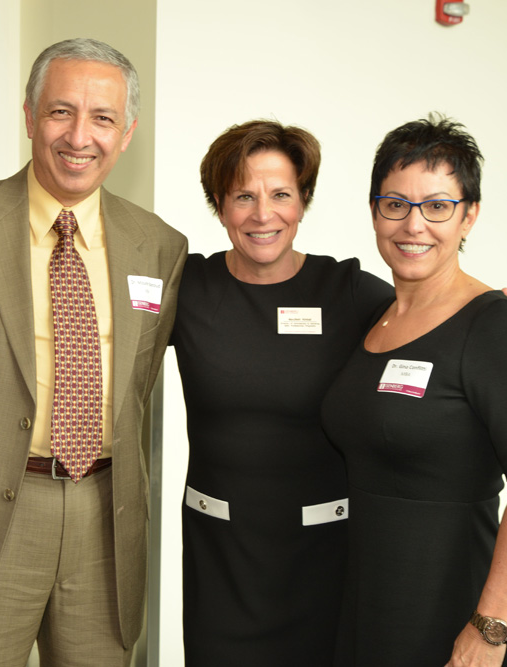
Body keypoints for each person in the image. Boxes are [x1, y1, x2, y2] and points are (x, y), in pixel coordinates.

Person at [0, 38, 187, 666]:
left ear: (127, 133)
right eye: (61, 111)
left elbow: (138, 386)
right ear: (30, 116)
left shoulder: (159, 247)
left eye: (103, 118)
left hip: (105, 522)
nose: (79, 136)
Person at [321, 114, 507, 666]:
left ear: (468, 215)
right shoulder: (374, 318)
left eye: (437, 206)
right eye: (396, 204)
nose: (414, 225)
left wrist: (489, 629)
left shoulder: (498, 327)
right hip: (362, 596)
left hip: (450, 605)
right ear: (374, 211)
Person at [170, 120, 393, 664]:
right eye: (243, 196)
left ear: (304, 201)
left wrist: (501, 321)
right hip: (220, 553)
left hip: (323, 552)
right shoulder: (188, 289)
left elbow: (434, 321)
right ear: (220, 206)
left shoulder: (348, 292)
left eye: (281, 195)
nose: (262, 214)